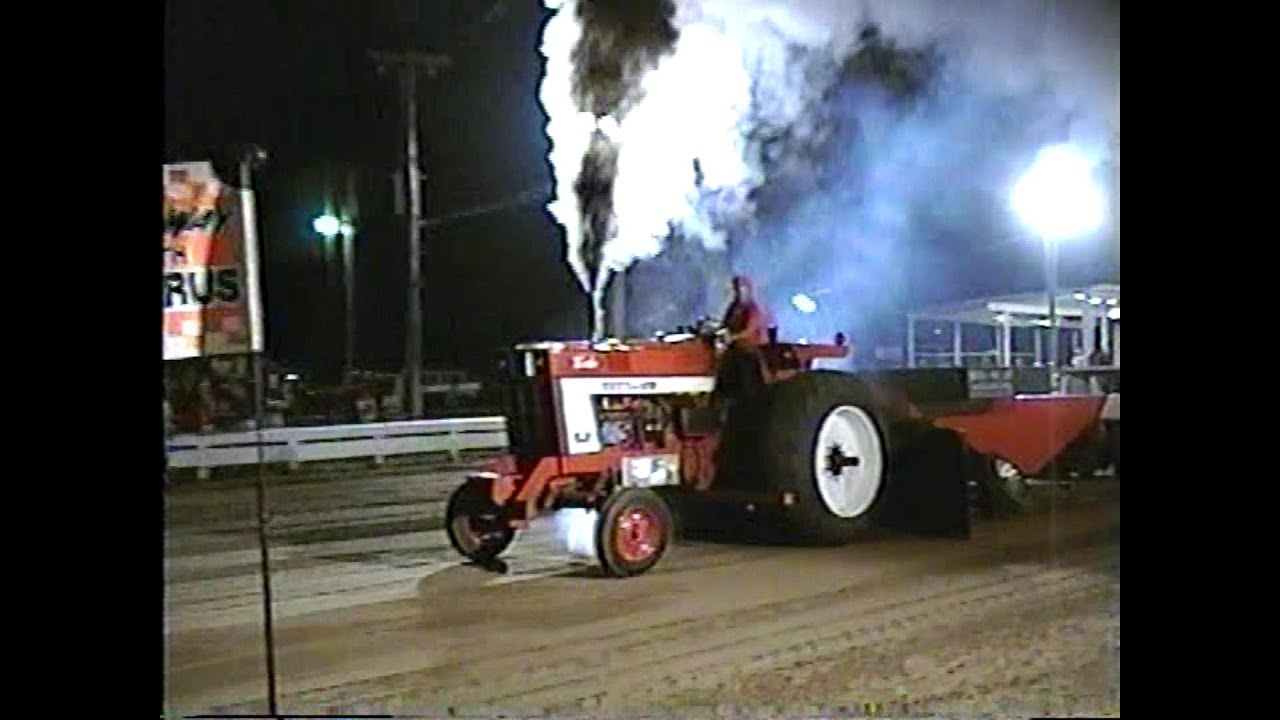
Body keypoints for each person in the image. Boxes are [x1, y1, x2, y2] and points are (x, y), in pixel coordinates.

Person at [713, 275, 771, 409]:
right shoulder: (734, 308)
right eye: (737, 288)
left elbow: (750, 329)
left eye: (742, 288)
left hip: (748, 352)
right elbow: (725, 324)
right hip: (733, 351)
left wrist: (732, 337)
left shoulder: (752, 309)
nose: (739, 291)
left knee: (748, 384)